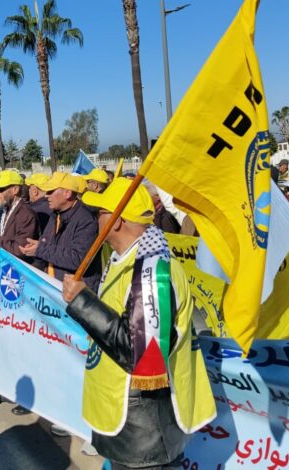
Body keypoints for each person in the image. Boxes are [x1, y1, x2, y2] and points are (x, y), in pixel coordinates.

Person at [61, 178, 202, 469]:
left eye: (101, 213)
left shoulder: (151, 273)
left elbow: (138, 351)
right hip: (124, 415)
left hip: (143, 429)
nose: (96, 219)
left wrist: (82, 302)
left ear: (116, 221)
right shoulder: (125, 260)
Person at [20, 172, 102, 293]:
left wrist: (40, 249)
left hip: (74, 294)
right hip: (55, 289)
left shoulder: (86, 219)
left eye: (51, 191)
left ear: (67, 193)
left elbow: (78, 259)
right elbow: (49, 247)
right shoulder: (56, 215)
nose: (46, 195)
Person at [0, 170, 39, 263]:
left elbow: (21, 249)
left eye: (0, 189)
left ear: (15, 190)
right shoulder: (6, 209)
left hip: (20, 269)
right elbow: (5, 237)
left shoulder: (26, 214)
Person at [25, 173, 52, 243]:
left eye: (29, 188)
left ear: (35, 191)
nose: (28, 191)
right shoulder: (54, 206)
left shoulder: (32, 211)